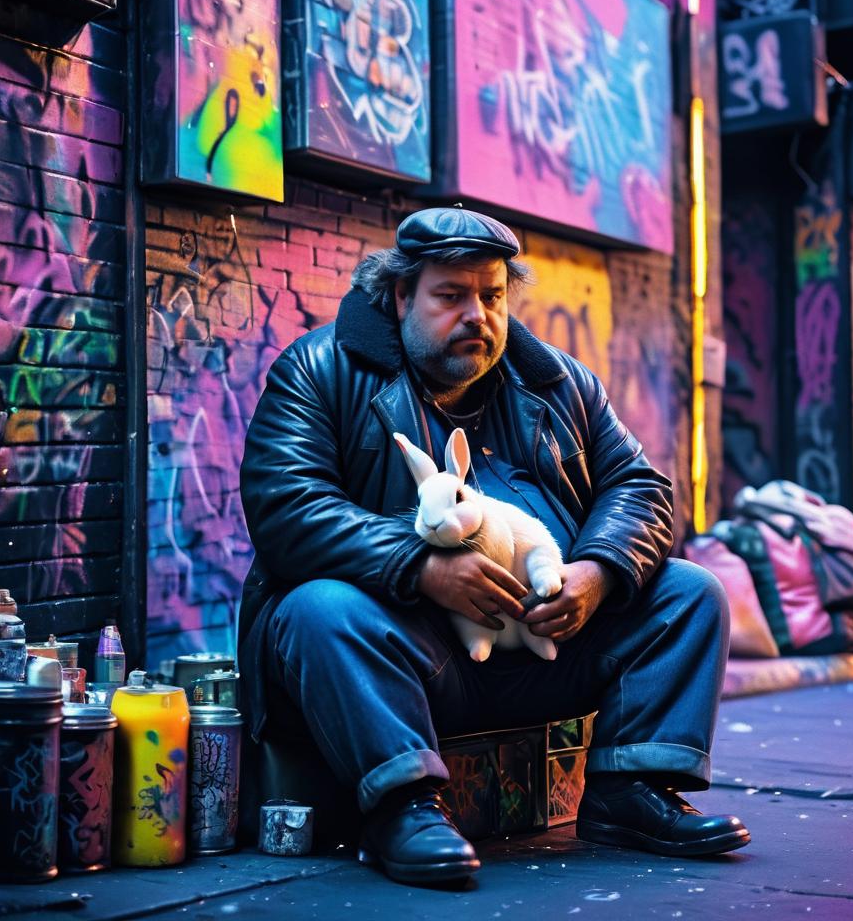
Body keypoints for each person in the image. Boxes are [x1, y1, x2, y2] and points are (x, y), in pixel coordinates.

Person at [238, 206, 750, 886]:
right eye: (451, 296)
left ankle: (632, 792)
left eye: (492, 295)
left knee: (689, 591)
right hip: (416, 658)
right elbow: (286, 508)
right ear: (399, 296)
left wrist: (597, 572)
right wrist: (420, 567)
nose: (477, 315)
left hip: (545, 645)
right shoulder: (319, 370)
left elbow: (642, 487)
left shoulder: (557, 381)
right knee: (318, 609)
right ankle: (403, 808)